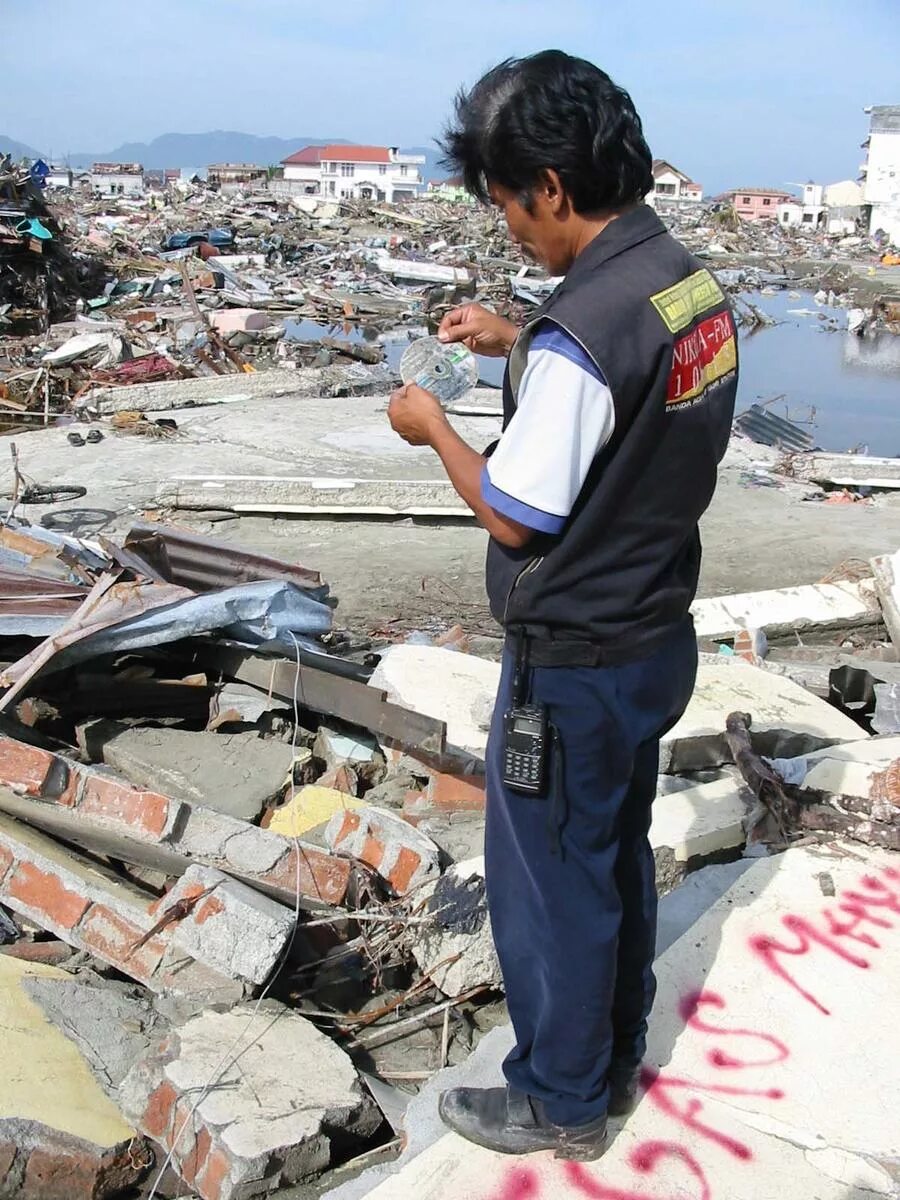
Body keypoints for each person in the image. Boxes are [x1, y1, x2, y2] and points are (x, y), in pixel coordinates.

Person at [387, 50, 738, 1162]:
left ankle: (560, 1095)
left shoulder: (583, 333)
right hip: (652, 632)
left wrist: (433, 428)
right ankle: (616, 1043)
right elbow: (632, 399)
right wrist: (520, 341)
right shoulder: (681, 279)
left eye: (507, 206)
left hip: (574, 660)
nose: (510, 234)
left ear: (549, 186)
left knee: (550, 885)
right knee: (611, 849)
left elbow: (516, 514)